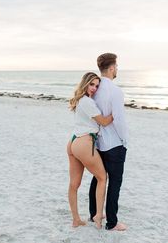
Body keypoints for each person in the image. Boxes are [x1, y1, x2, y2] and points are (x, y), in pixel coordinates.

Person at [67, 72, 113, 229]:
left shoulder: (81, 100)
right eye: (91, 84)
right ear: (85, 83)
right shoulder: (87, 102)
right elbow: (105, 122)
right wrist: (117, 111)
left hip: (74, 141)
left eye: (97, 86)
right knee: (102, 177)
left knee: (74, 184)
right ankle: (98, 216)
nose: (94, 88)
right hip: (85, 143)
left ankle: (76, 220)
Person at [89, 53, 129, 231]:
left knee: (98, 178)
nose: (117, 69)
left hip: (98, 143)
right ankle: (112, 222)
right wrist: (124, 140)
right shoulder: (115, 91)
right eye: (117, 66)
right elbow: (119, 120)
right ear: (112, 68)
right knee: (115, 182)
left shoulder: (94, 89)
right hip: (114, 144)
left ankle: (94, 214)